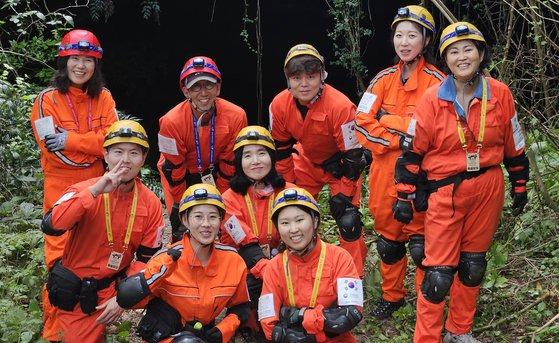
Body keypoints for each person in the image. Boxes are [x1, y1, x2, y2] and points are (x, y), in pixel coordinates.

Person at [394, 22, 529, 342]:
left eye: (469, 49)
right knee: (437, 275)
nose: (462, 56)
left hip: (488, 187)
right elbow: (412, 152)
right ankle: (426, 337)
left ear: (481, 54)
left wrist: (520, 186)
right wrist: (403, 195)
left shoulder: (500, 93)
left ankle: (459, 331)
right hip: (445, 190)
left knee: (472, 266)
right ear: (445, 59)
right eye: (454, 51)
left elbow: (515, 145)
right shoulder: (431, 99)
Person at [354, 5, 444, 319]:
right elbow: (362, 123)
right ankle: (392, 296)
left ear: (426, 40)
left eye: (412, 35)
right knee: (389, 243)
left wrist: (388, 118)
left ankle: (424, 301)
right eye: (399, 35)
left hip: (421, 175)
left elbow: (434, 132)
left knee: (421, 245)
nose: (404, 42)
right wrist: (398, 135)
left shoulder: (437, 83)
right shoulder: (381, 80)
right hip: (382, 175)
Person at [29, 28, 119, 341]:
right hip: (62, 192)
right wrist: (94, 148)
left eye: (88, 59)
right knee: (60, 270)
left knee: (94, 267)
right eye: (75, 58)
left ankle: (91, 334)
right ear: (64, 60)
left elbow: (114, 141)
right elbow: (54, 152)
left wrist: (71, 139)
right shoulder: (46, 101)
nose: (81, 65)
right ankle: (55, 334)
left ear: (96, 64)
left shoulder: (104, 98)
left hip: (99, 189)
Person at [41, 120, 165, 342]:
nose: (125, 160)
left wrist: (123, 297)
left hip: (116, 284)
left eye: (134, 153)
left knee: (173, 287)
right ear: (106, 155)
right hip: (79, 289)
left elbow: (148, 258)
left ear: (144, 159)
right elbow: (53, 225)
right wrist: (95, 191)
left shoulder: (151, 203)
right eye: (118, 152)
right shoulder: (83, 190)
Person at [269, 44, 369, 276]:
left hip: (342, 165)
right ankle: (301, 270)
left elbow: (354, 156)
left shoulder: (341, 106)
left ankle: (352, 278)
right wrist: (287, 186)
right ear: (288, 79)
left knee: (348, 220)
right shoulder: (279, 105)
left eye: (311, 76)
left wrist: (344, 191)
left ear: (322, 77)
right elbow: (281, 151)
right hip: (305, 161)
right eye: (296, 77)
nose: (304, 84)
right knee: (293, 212)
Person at [116, 183, 250, 343]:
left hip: (204, 337)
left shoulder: (233, 261)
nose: (206, 224)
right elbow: (128, 299)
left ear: (221, 220)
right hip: (166, 336)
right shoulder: (165, 259)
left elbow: (241, 307)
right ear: (185, 220)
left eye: (213, 217)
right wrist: (156, 274)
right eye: (198, 216)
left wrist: (222, 331)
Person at [156, 55, 248, 243]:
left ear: (218, 88)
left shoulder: (236, 116)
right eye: (196, 87)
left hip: (217, 172)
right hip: (179, 174)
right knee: (183, 224)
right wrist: (184, 205)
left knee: (223, 220)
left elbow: (230, 163)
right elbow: (173, 169)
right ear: (185, 91)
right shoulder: (170, 122)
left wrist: (219, 202)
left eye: (209, 85)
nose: (203, 93)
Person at [258, 188, 364, 342]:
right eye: (285, 223)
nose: (293, 229)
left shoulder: (340, 257)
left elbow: (350, 314)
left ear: (314, 221)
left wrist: (298, 317)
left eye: (300, 220)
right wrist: (325, 319)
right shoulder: (274, 267)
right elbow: (269, 325)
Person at [220, 125, 295, 339]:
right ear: (239, 162)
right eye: (248, 155)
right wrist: (271, 271)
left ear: (272, 158)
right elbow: (243, 242)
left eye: (262, 153)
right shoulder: (228, 199)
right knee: (252, 286)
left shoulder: (289, 191)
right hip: (245, 263)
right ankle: (250, 323)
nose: (255, 161)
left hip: (282, 258)